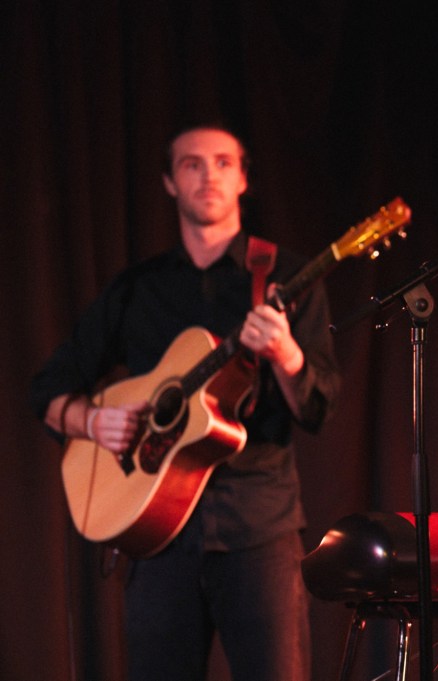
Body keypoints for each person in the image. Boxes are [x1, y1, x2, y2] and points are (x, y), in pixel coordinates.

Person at [30, 124, 341, 681]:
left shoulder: (288, 278)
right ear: (170, 182)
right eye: (191, 164)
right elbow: (48, 387)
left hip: (258, 528)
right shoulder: (137, 289)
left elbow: (317, 411)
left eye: (223, 163)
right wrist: (92, 421)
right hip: (155, 535)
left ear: (243, 179)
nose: (208, 176)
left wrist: (285, 353)